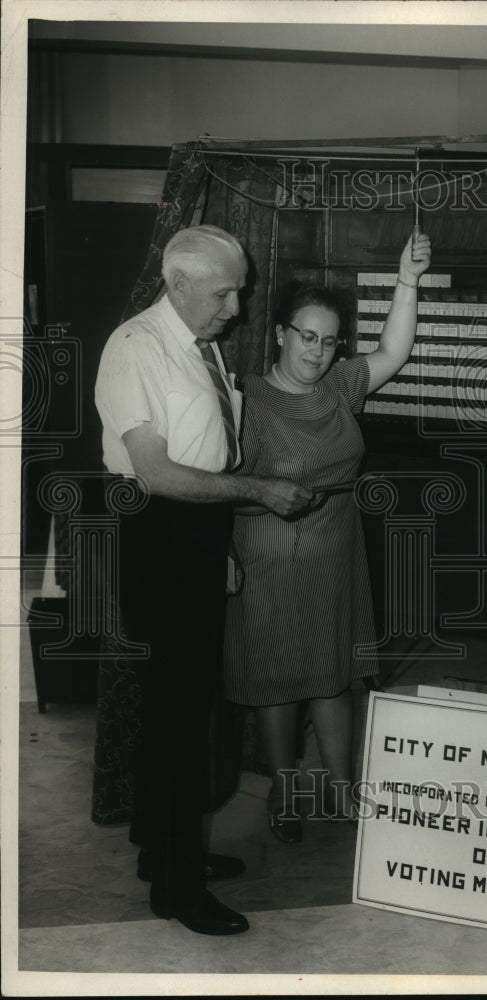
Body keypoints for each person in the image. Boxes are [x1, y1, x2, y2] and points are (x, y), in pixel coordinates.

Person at [94, 224, 313, 935]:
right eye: (225, 292)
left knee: (182, 710)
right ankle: (180, 889)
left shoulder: (200, 345)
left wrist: (217, 540)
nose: (237, 307)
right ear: (180, 283)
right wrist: (259, 492)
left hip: (194, 533)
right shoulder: (136, 348)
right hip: (160, 532)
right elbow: (155, 473)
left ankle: (165, 857)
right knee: (180, 716)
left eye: (241, 290)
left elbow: (203, 453)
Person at [223, 231, 431, 843]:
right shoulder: (245, 399)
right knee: (278, 678)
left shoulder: (340, 386)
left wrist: (407, 281)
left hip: (338, 549)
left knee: (335, 672)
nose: (317, 351)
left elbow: (396, 348)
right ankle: (286, 792)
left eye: (330, 340)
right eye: (307, 336)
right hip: (271, 554)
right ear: (282, 332)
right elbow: (215, 479)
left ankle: (342, 790)